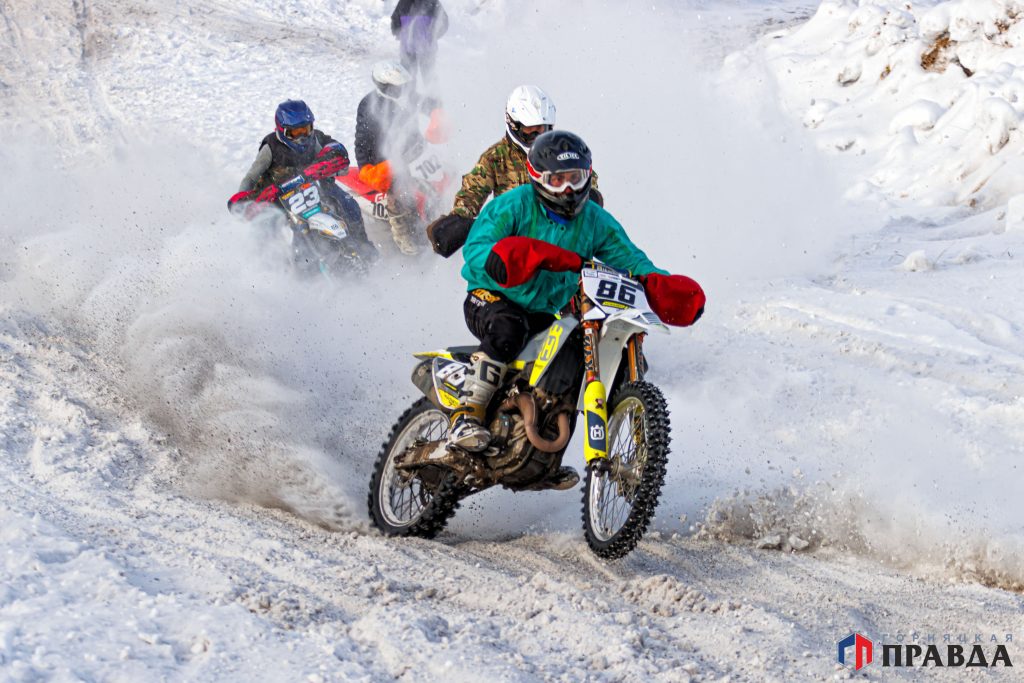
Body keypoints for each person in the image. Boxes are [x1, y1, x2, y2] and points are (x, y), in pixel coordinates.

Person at [448, 130, 705, 473]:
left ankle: (544, 449)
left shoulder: (594, 221)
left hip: (543, 309)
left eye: (574, 178)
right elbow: (476, 248)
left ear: (588, 176)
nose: (567, 189)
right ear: (539, 178)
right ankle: (467, 416)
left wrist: (658, 284)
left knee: (573, 349)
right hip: (492, 296)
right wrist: (497, 259)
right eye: (557, 180)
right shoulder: (513, 204)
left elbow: (630, 258)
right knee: (508, 328)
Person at [426, 85, 603, 258]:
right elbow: (471, 193)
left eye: (542, 129)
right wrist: (458, 221)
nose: (537, 136)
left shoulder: (562, 150)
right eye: (530, 129)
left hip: (562, 241)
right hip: (515, 249)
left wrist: (590, 196)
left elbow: (587, 179)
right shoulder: (495, 158)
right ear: (514, 125)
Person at [229, 100, 371, 249]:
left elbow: (335, 152)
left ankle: (362, 243)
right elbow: (252, 177)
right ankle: (273, 260)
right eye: (295, 133)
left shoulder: (315, 139)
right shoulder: (270, 147)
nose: (302, 137)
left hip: (315, 186)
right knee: (273, 226)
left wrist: (333, 159)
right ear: (281, 130)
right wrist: (244, 198)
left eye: (305, 130)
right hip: (281, 195)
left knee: (349, 204)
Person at [354, 61, 439, 256]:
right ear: (387, 86)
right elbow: (362, 142)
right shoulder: (369, 106)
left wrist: (437, 114)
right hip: (386, 163)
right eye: (399, 87)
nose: (403, 90)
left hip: (417, 155)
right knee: (399, 197)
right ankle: (404, 241)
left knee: (443, 178)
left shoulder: (407, 98)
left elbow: (429, 103)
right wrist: (366, 167)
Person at [391, 0, 449, 85]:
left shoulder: (432, 2)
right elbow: (395, 20)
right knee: (407, 78)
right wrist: (399, 32)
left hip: (425, 50)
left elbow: (444, 22)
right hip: (409, 49)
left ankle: (432, 96)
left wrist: (433, 35)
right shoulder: (404, 2)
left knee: (428, 77)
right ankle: (411, 96)